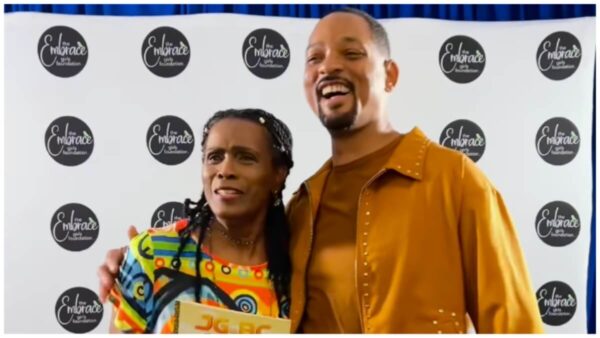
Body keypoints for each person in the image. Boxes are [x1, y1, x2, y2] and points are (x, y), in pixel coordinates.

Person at [99, 8, 543, 333]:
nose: (329, 65)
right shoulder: (302, 207)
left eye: (351, 53)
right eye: (315, 58)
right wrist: (136, 263)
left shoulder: (453, 180)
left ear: (389, 75)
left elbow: (516, 325)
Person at [106, 108, 294, 333]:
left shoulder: (300, 265)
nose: (225, 170)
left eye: (246, 158)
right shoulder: (153, 254)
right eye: (215, 157)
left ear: (278, 174)